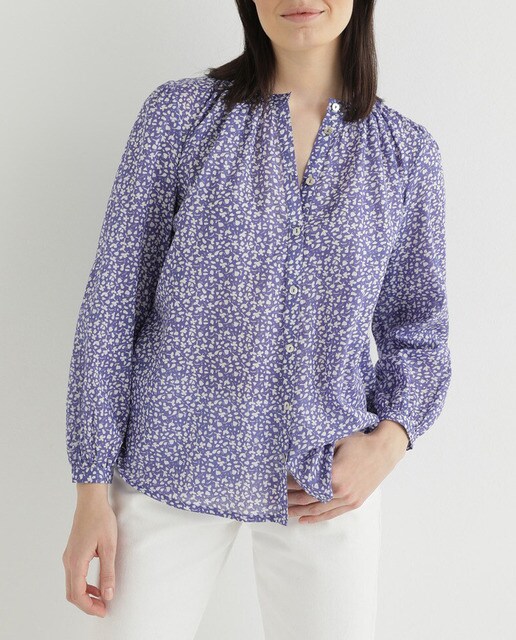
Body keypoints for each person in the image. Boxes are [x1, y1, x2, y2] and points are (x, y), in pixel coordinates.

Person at [62, 1, 452, 638]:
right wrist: (90, 487)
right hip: (170, 463)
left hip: (325, 483)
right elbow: (113, 303)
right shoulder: (180, 118)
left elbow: (420, 328)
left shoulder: (406, 155)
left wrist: (388, 442)